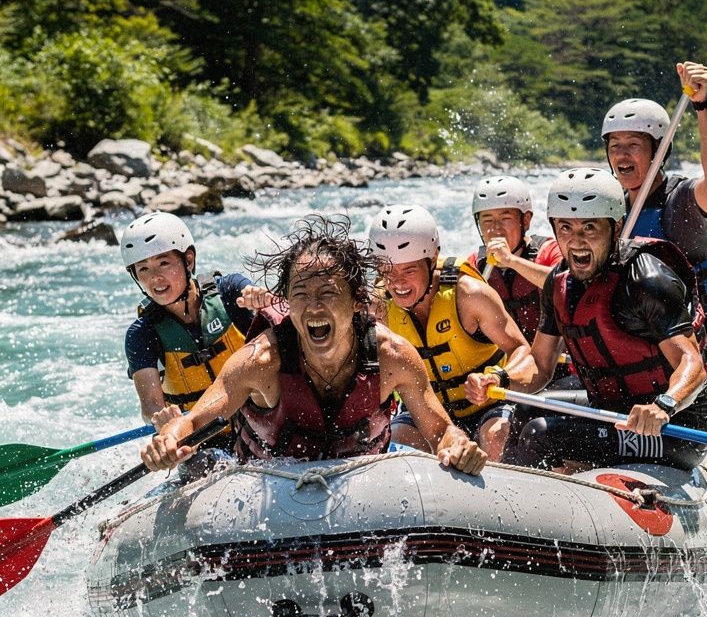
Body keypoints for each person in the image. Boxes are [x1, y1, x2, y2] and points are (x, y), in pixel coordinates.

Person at [141, 217, 486, 476]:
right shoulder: (260, 362)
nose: (314, 307)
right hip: (268, 490)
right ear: (288, 303)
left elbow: (441, 432)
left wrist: (457, 447)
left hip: (365, 485)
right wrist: (168, 439)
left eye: (328, 293)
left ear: (356, 302)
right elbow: (194, 421)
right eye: (301, 295)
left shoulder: (392, 357)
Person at [466, 168, 707, 472]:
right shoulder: (558, 283)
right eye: (566, 228)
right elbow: (540, 366)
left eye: (590, 228)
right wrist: (501, 378)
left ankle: (526, 509)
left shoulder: (645, 279)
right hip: (611, 411)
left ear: (616, 226)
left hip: (673, 429)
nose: (577, 241)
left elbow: (692, 365)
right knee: (525, 409)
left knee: (539, 434)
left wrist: (664, 405)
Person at [368, 204, 534, 460]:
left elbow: (522, 350)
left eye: (409, 270)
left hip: (487, 406)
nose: (398, 283)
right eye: (388, 270)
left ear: (432, 260)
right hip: (425, 412)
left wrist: (499, 377)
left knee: (494, 438)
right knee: (399, 445)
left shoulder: (469, 295)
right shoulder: (377, 306)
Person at [601, 61, 707, 329]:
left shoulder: (681, 202)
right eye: (615, 146)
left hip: (683, 341)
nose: (622, 155)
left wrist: (703, 105)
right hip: (630, 337)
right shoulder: (612, 206)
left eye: (633, 145)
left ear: (660, 151)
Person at [122, 211, 260, 426]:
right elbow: (150, 406)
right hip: (202, 439)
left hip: (260, 424)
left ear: (188, 260)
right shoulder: (141, 334)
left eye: (164, 263)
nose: (154, 277)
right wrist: (160, 419)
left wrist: (262, 301)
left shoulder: (231, 291)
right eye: (143, 269)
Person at [467, 175, 562, 343]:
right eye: (487, 220)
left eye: (505, 219)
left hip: (553, 359)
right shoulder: (474, 265)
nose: (495, 228)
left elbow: (566, 287)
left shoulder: (549, 250)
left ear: (525, 221)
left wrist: (511, 260)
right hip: (509, 361)